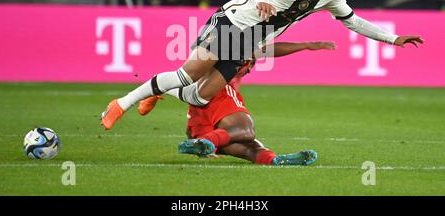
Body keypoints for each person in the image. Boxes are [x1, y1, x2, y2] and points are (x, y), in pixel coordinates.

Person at [101, 0, 423, 130]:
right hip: (232, 22)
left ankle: (159, 91)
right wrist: (260, 0)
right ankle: (124, 101)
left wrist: (393, 39)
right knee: (188, 75)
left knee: (200, 97)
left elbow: (354, 21)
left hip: (247, 42)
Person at [144, 41, 337, 165]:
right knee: (246, 130)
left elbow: (176, 86)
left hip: (201, 117)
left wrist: (152, 97)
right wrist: (305, 45)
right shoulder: (234, 48)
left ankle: (275, 160)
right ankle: (207, 141)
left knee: (248, 148)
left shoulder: (222, 51)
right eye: (250, 62)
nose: (251, 65)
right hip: (219, 98)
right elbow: (269, 49)